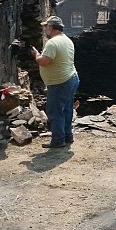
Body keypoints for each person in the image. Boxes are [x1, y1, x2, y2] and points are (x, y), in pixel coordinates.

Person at [32, 16, 79, 148]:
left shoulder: (52, 43)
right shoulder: (67, 40)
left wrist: (36, 55)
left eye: (46, 27)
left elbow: (45, 61)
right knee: (67, 109)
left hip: (60, 82)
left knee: (55, 111)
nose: (45, 30)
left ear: (51, 27)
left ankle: (58, 140)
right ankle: (68, 136)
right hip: (71, 78)